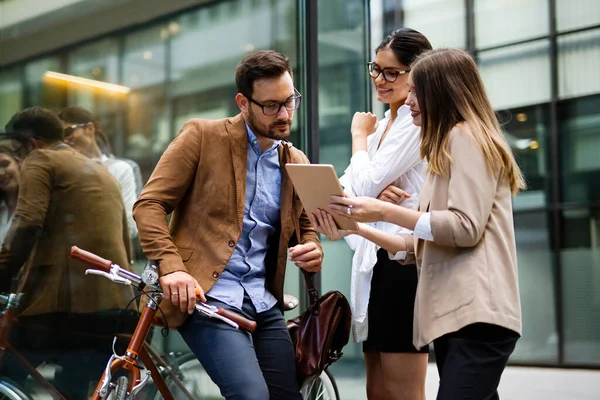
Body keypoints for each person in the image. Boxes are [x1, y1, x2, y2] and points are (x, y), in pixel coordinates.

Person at [328, 48, 526, 400]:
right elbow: (415, 243)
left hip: (477, 316)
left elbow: (464, 228)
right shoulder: (445, 148)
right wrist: (357, 227)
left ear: (442, 92)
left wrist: (384, 211)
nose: (409, 103)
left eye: (417, 92)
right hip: (460, 317)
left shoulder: (464, 137)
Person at [133, 50, 323, 399]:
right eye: (270, 106)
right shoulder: (202, 136)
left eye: (289, 101)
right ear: (243, 102)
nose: (284, 115)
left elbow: (305, 223)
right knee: (251, 396)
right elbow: (149, 204)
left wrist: (312, 245)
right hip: (207, 298)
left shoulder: (295, 159)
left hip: (264, 303)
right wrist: (172, 268)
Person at [309, 28, 431, 400]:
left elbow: (359, 188)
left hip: (404, 265)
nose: (380, 79)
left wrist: (358, 136)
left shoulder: (414, 122)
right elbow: (343, 189)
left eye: (391, 72)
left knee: (402, 391)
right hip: (375, 265)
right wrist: (372, 188)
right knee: (376, 389)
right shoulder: (385, 126)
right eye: (375, 69)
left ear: (417, 73)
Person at [0, 107, 138, 399]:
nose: (20, 159)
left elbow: (27, 222)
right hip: (116, 305)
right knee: (70, 386)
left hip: (66, 306)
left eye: (17, 151)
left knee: (6, 370)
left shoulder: (41, 159)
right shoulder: (97, 168)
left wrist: (2, 273)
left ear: (32, 143)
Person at [57, 107, 138, 241]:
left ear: (89, 128)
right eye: (61, 136)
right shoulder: (61, 171)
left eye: (68, 131)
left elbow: (130, 227)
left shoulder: (119, 169)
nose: (65, 140)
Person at [0, 146, 20, 243]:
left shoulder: (36, 206)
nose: (1, 173)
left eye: (5, 164)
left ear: (18, 163)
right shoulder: (2, 208)